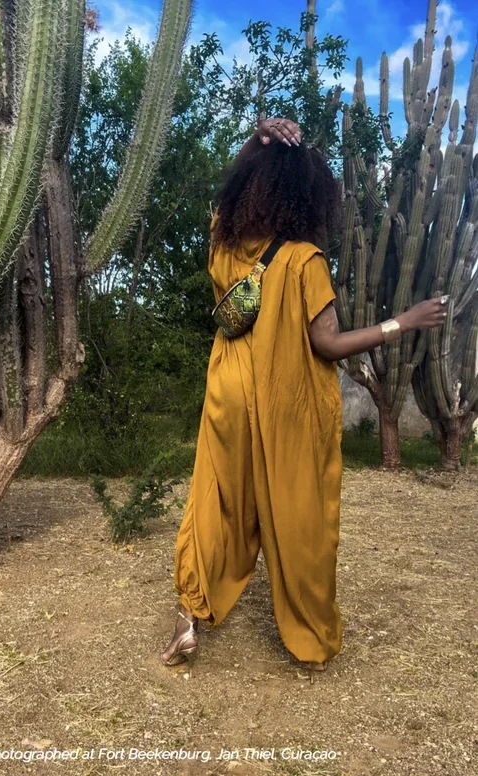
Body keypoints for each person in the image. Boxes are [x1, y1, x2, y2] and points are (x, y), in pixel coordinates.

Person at [159, 118, 449, 669]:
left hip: (226, 391)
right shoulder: (303, 260)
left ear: (251, 180)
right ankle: (309, 637)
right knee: (296, 514)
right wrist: (402, 322)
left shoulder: (224, 241)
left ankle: (188, 616)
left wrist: (257, 135)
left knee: (212, 501)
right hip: (281, 404)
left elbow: (226, 201)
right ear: (308, 195)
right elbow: (329, 344)